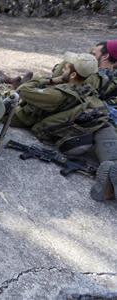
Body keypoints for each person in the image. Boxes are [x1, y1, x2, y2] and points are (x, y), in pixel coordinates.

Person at [10, 52, 117, 201]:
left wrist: (53, 80)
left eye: (67, 66)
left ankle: (112, 177)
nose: (64, 66)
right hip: (81, 132)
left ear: (72, 74)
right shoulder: (88, 88)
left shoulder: (56, 94)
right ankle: (113, 166)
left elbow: (23, 89)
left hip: (65, 138)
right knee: (104, 125)